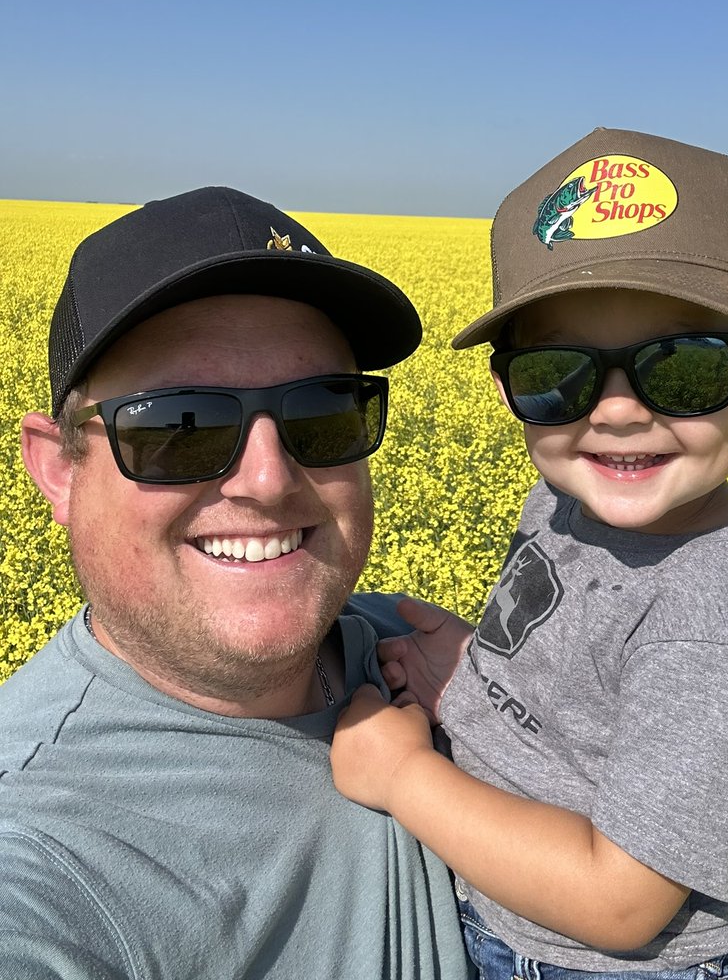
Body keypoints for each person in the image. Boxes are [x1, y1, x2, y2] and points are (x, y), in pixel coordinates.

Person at [330, 128, 728, 978]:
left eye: (678, 369)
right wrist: (481, 676)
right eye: (559, 374)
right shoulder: (572, 499)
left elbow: (619, 903)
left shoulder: (706, 631)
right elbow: (581, 666)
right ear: (510, 391)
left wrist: (405, 777)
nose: (618, 412)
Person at [0, 186, 471, 979]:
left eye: (322, 412)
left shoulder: (427, 657)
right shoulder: (40, 848)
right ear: (59, 471)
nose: (267, 478)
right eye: (180, 426)